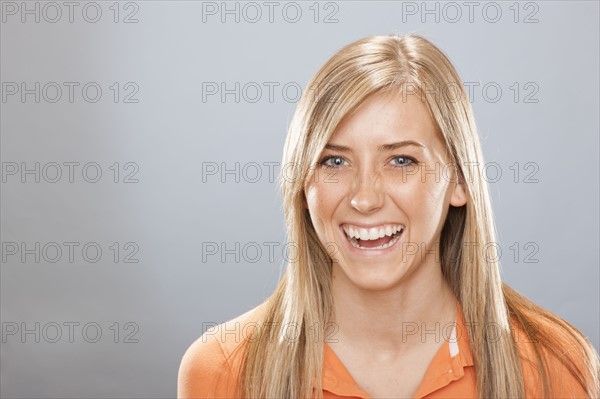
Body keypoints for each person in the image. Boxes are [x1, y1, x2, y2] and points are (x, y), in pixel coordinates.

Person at [178, 33, 600, 398]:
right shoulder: (220, 368)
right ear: (302, 185)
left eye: (400, 160)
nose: (365, 198)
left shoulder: (556, 362)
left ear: (459, 182)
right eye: (334, 162)